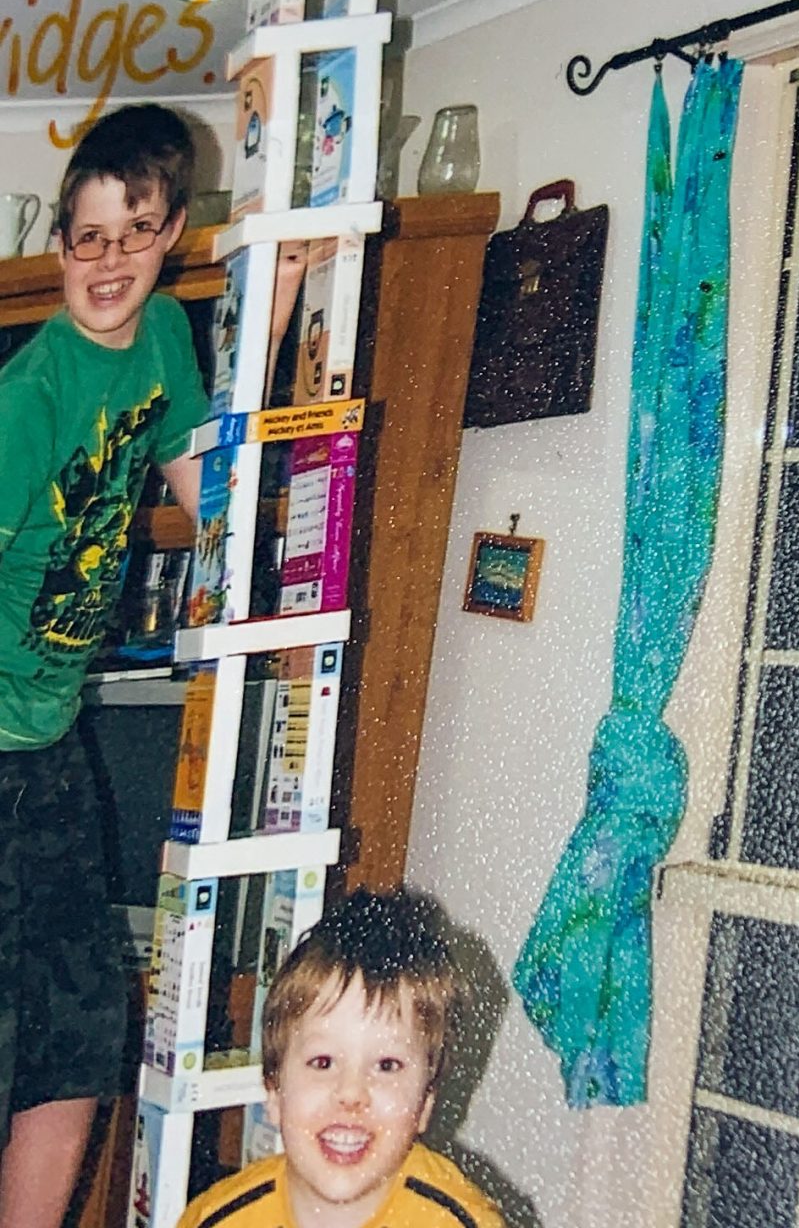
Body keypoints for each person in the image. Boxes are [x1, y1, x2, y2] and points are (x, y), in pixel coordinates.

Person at [0, 105, 208, 1228]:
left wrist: (282, 304)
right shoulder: (27, 403)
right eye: (90, 236)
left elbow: (200, 482)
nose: (111, 259)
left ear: (171, 232)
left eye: (135, 231)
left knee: (79, 1037)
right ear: (60, 247)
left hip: (49, 743)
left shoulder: (167, 335)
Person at [177, 890, 497, 1228]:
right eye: (323, 1062)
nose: (351, 1094)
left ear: (426, 1101)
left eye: (386, 1065)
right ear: (273, 1091)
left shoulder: (461, 1223)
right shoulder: (215, 1221)